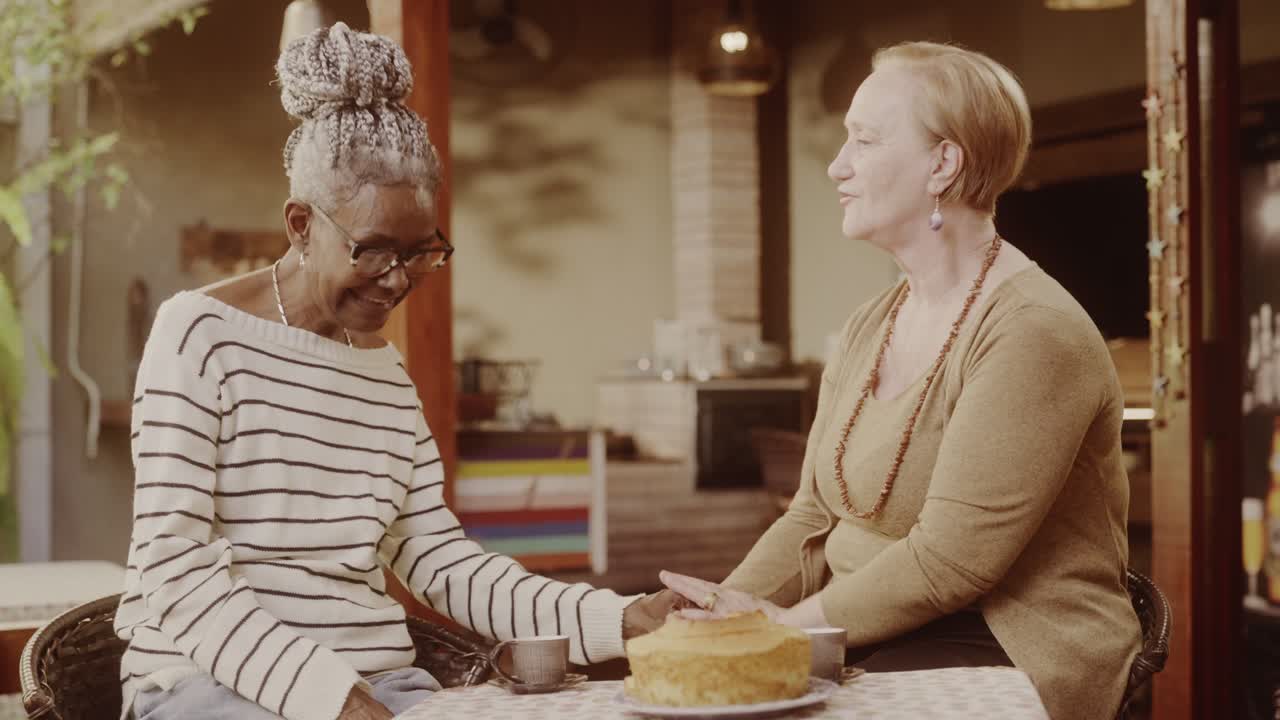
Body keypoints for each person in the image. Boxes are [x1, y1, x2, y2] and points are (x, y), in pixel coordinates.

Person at [115, 23, 671, 720]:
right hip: (207, 686)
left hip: (379, 688)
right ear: (299, 225)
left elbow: (440, 561)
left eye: (421, 252)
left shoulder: (382, 373)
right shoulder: (198, 334)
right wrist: (330, 699)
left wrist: (620, 619)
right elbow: (174, 566)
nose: (398, 280)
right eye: (373, 250)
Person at [660, 41, 1141, 720]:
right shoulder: (871, 324)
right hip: (874, 632)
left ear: (943, 163)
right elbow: (809, 516)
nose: (838, 166)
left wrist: (768, 635)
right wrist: (717, 614)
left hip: (1010, 643)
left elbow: (952, 564)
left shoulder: (1031, 330)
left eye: (864, 139)